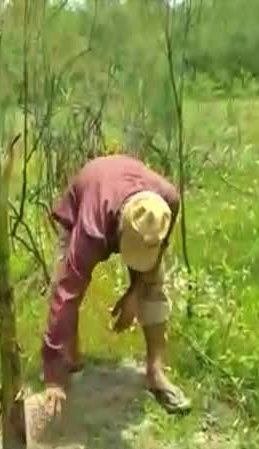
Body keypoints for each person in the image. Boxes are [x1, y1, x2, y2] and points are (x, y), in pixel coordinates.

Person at [41, 154, 192, 418]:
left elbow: (156, 254)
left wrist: (135, 293)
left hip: (121, 192)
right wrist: (52, 375)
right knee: (66, 282)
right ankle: (69, 360)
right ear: (120, 230)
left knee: (154, 286)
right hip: (91, 195)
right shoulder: (91, 228)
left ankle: (155, 373)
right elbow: (67, 293)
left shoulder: (168, 202)